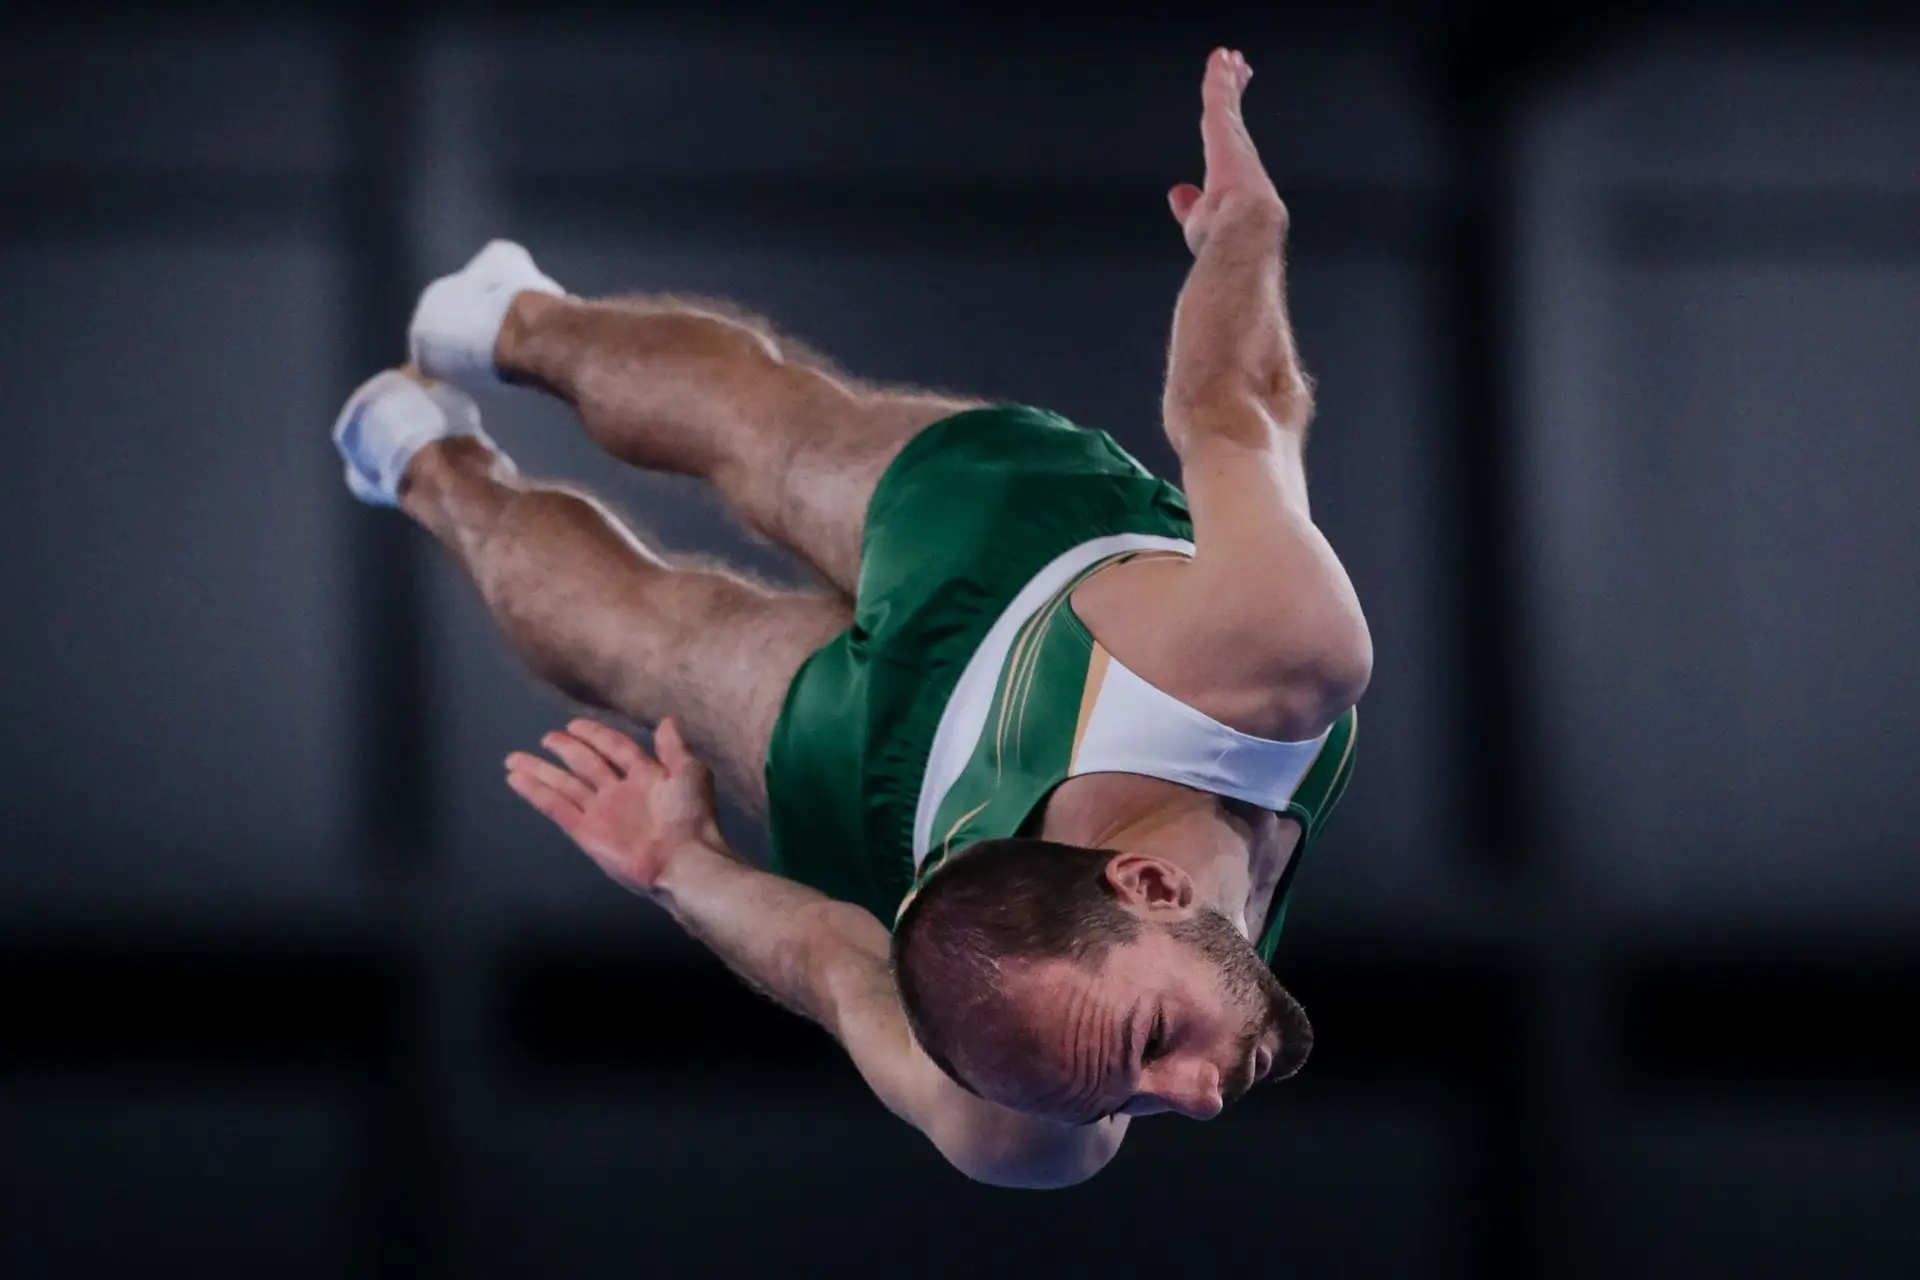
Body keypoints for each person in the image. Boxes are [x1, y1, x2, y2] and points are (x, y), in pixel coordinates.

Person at [331, 48, 1368, 1188]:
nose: (1198, 1097)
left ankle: (464, 398)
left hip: (942, 680)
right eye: (1139, 1067)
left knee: (704, 544)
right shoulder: (1272, 653)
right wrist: (1242, 233)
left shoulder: (1027, 1116)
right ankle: (460, 391)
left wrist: (684, 867)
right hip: (959, 672)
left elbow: (1235, 407)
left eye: (1142, 1061)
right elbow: (1230, 405)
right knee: (716, 523)